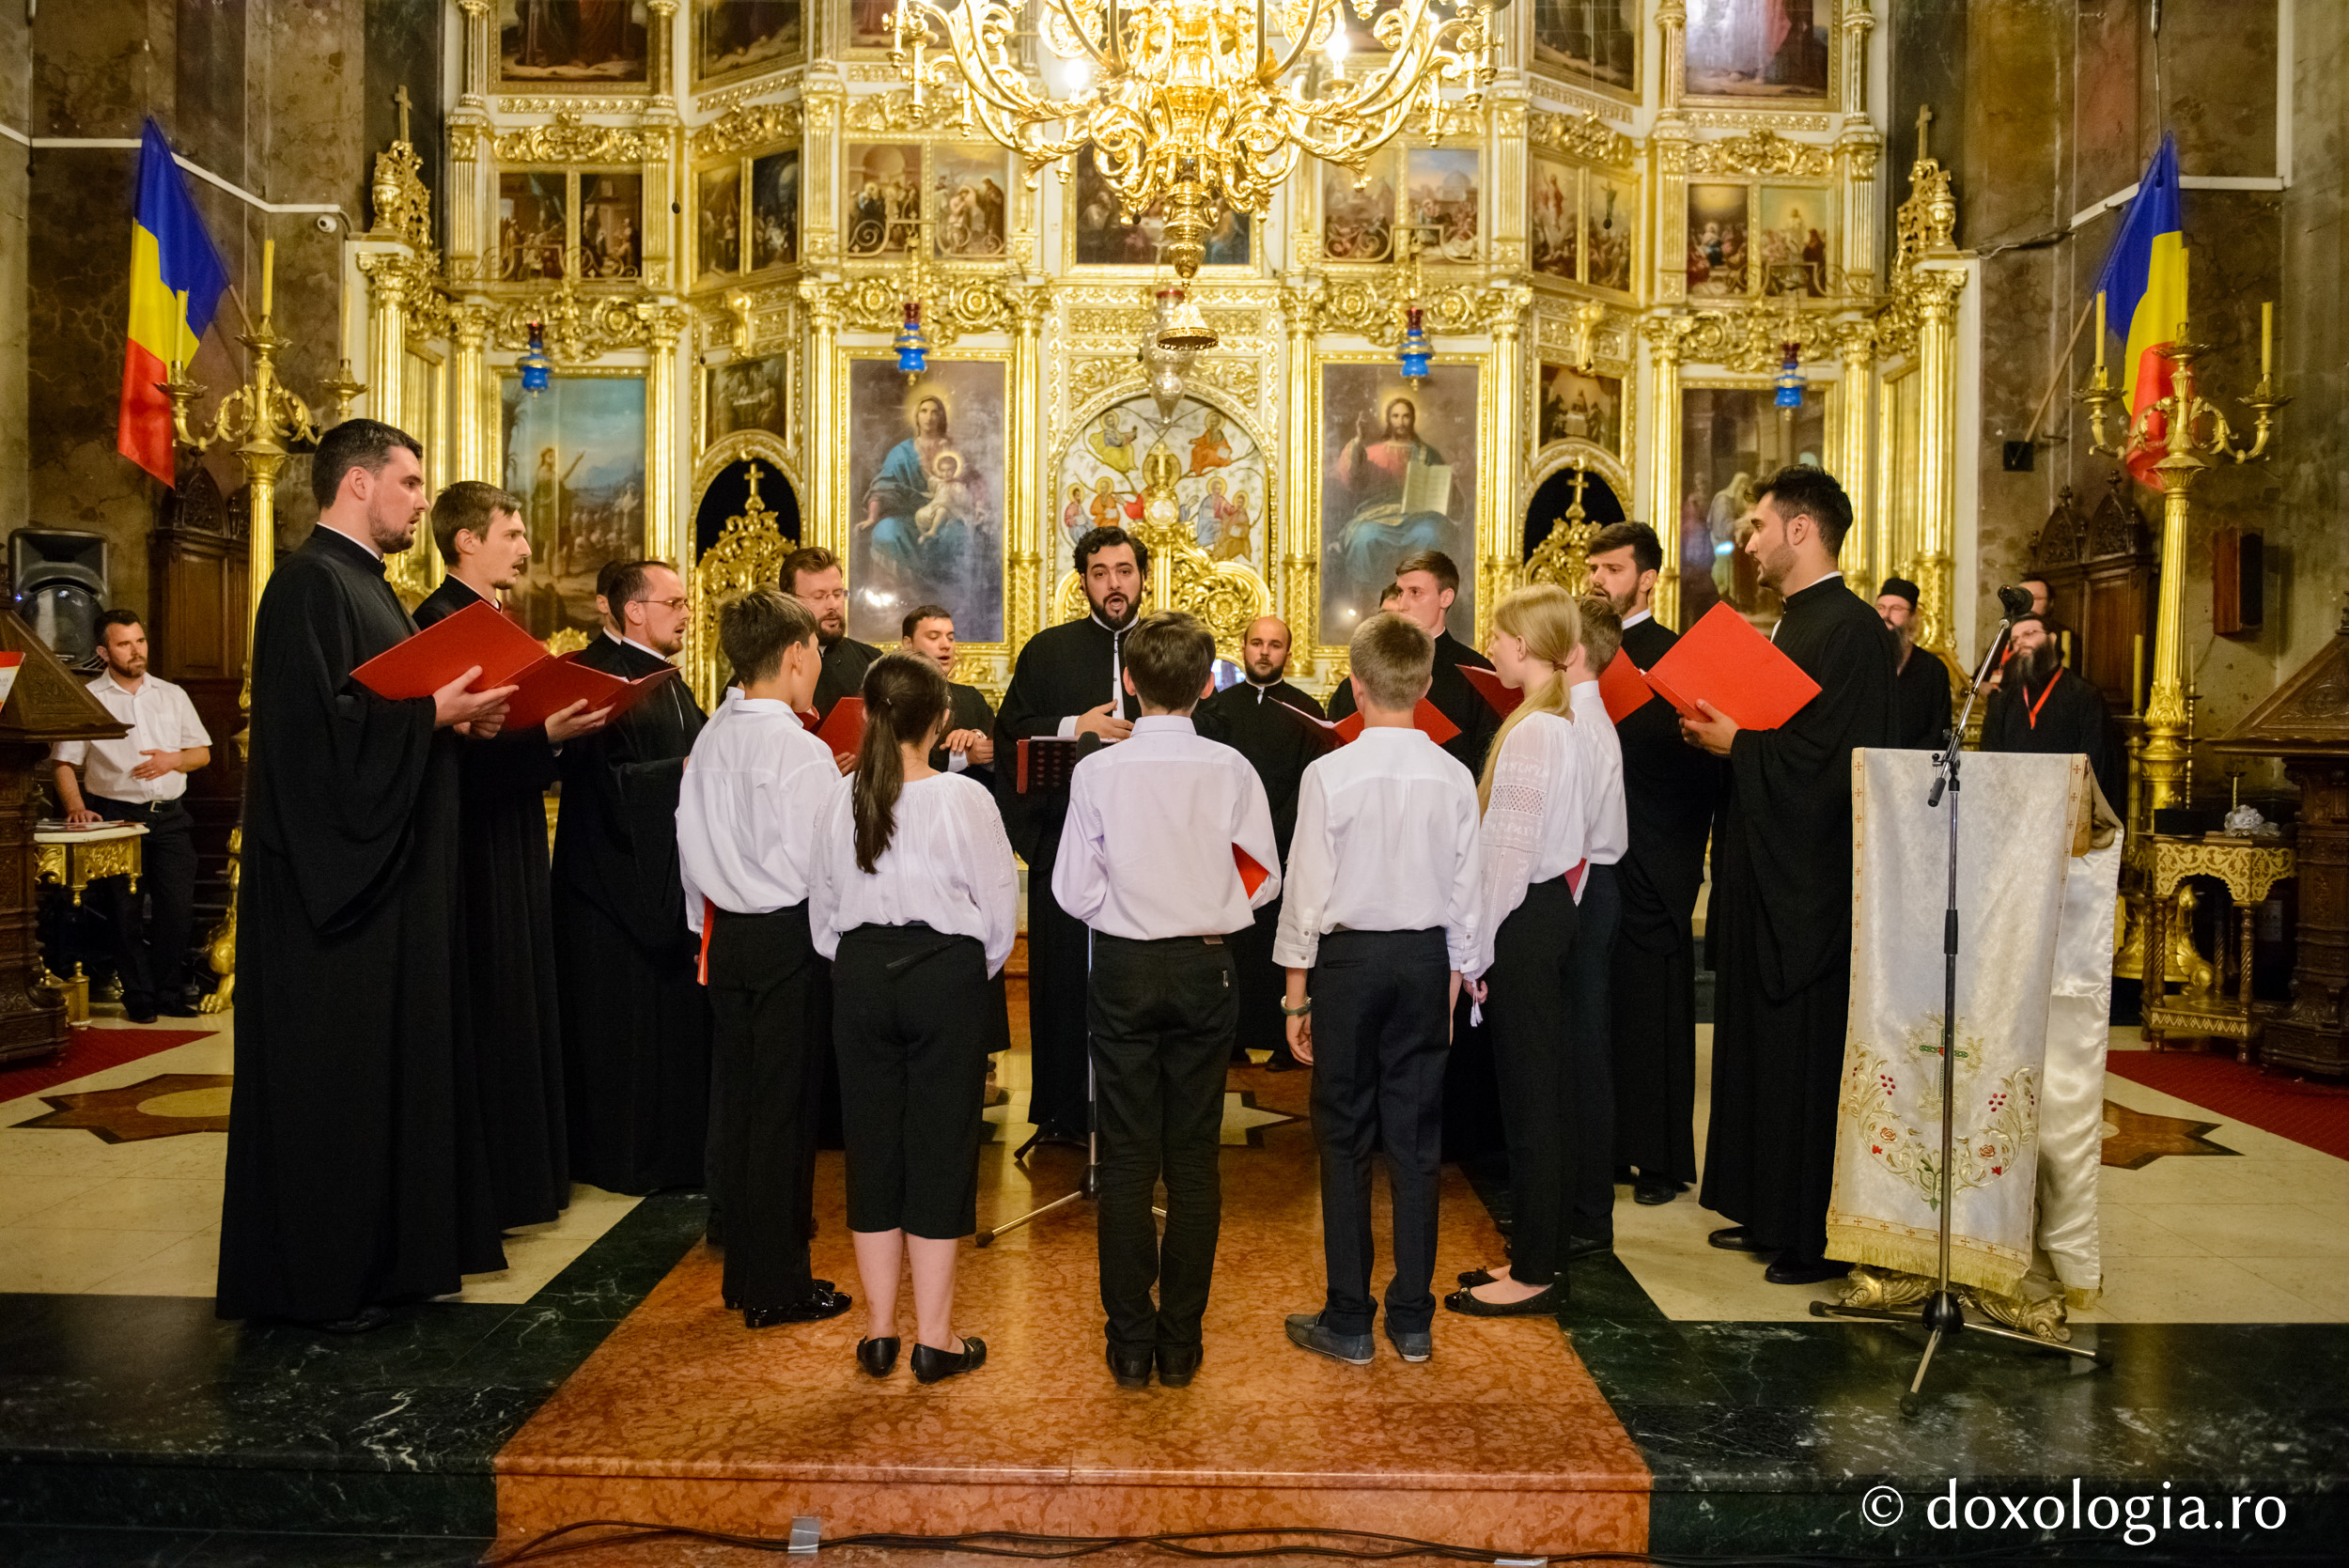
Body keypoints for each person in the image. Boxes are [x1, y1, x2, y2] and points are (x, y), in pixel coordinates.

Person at [218, 418, 514, 1330]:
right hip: (331, 899)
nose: (424, 501)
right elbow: (316, 745)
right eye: (412, 482)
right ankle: (322, 1279)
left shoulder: (368, 588)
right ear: (357, 484)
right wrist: (429, 714)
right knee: (331, 1088)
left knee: (389, 1080)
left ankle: (388, 1262)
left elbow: (379, 714)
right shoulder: (311, 585)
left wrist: (449, 719)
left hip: (388, 886)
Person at [1051, 610, 1280, 1389]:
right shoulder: (1231, 768)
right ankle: (1181, 1342)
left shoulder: (1096, 771)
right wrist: (1205, 895)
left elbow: (1071, 890)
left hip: (1121, 965)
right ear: (1207, 680)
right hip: (1205, 966)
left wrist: (1132, 899)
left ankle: (1129, 1342)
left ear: (1128, 682)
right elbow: (1266, 875)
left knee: (1123, 1161)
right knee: (1192, 1158)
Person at [1680, 465, 1896, 1286]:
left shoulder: (1850, 630)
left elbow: (1838, 764)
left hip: (1812, 886)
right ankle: (1766, 1208)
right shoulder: (1790, 621)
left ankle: (1810, 1229)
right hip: (1763, 870)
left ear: (1802, 530)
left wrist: (1742, 744)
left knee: (1804, 1054)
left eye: (1760, 527)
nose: (1750, 542)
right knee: (1758, 1047)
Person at [1275, 613, 1481, 1367]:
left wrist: (1296, 994)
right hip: (1426, 961)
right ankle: (1414, 1318)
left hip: (1349, 964)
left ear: (1356, 686)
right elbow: (1468, 891)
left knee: (1344, 1137)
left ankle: (1349, 1317)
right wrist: (1457, 978)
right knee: (1417, 1141)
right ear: (1426, 686)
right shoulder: (1455, 774)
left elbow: (1306, 891)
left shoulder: (1330, 771)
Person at [814, 653, 1018, 1385]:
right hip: (944, 975)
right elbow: (1000, 919)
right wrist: (956, 973)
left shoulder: (841, 796)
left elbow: (822, 920)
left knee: (872, 1149)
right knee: (940, 1149)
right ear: (940, 721)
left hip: (861, 973)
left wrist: (868, 962)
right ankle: (934, 1339)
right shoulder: (966, 801)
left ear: (870, 716)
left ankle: (877, 1332)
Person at [414, 482, 610, 1230]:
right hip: (471, 845)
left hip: (513, 831)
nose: (527, 547)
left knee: (522, 996)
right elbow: (457, 758)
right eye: (514, 532)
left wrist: (546, 730)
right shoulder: (438, 622)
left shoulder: (490, 619)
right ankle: (491, 1184)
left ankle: (525, 1177)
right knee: (489, 1001)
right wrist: (548, 736)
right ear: (466, 539)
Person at [676, 587, 853, 1329]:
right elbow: (825, 860)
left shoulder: (713, 733)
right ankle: (778, 1284)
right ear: (793, 656)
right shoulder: (799, 748)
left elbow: (687, 844)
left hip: (726, 936)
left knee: (744, 1105)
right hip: (788, 936)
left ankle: (746, 1274)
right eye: (813, 651)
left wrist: (701, 925)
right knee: (784, 1114)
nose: (816, 663)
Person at [1447, 586, 1596, 1318]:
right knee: (1541, 1091)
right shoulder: (1556, 723)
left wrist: (1472, 951)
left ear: (1530, 644)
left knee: (1532, 1099)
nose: (1495, 647)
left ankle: (1536, 1270)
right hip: (1545, 914)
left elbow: (1507, 856)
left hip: (1521, 920)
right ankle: (1539, 1249)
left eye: (1502, 636)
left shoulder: (1534, 731)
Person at [552, 557, 712, 1196]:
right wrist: (688, 771)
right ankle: (621, 1158)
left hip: (664, 878)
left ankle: (673, 1155)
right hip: (609, 885)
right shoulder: (592, 672)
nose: (685, 613)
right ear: (634, 610)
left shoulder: (668, 677)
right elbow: (599, 783)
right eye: (673, 602)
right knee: (621, 1032)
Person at [991, 525, 1149, 1146]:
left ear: (1142, 576)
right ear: (1082, 579)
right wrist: (1072, 724)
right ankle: (1063, 1108)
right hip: (1068, 839)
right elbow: (1013, 731)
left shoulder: (1164, 647)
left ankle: (1131, 1110)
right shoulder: (1047, 651)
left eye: (1125, 570)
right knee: (1063, 978)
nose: (1115, 583)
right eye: (1101, 571)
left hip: (1145, 846)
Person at [1583, 522, 1717, 1208]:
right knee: (1600, 1007)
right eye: (1594, 568)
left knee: (1653, 1010)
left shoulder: (1675, 655)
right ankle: (1604, 1144)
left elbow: (1698, 760)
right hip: (1596, 854)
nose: (1599, 579)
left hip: (1657, 850)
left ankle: (1660, 1159)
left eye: (1613, 568)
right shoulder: (1579, 652)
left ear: (1647, 580)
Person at [49, 610, 210, 1023]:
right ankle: (138, 995)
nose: (136, 651)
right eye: (124, 644)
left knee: (177, 911)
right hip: (117, 817)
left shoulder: (172, 694)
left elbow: (202, 753)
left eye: (140, 641)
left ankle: (169, 992)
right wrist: (75, 807)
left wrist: (173, 759)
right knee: (125, 913)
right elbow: (64, 763)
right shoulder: (88, 699)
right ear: (104, 652)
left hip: (170, 817)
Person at [1194, 615, 1326, 1072]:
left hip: (1284, 849)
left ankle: (1277, 1039)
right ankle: (1228, 1037)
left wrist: (1268, 835)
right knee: (1229, 945)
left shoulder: (1308, 713)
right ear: (1243, 647)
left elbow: (1312, 784)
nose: (1264, 652)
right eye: (1256, 643)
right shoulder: (1215, 711)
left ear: (1288, 652)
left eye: (1274, 644)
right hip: (1225, 850)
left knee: (1277, 942)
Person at [1560, 595, 1628, 1256]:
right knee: (1575, 1048)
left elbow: (1570, 832)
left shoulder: (1580, 723)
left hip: (1583, 887)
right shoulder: (1577, 715)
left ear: (1573, 651)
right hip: (1585, 886)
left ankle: (1587, 1214)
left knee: (1582, 1051)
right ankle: (1578, 1204)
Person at [1326, 551, 1500, 776]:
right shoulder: (1369, 661)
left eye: (1415, 593)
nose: (1403, 604)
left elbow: (1487, 759)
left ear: (1445, 598)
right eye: (1400, 592)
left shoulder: (1476, 673)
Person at [1983, 612, 2123, 810]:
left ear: (2053, 638)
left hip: (2065, 810)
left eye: (2029, 634)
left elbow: (2096, 763)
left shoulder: (2084, 695)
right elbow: (1990, 761)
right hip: (2014, 810)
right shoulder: (2002, 700)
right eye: (2015, 639)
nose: (2021, 642)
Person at [900, 603, 996, 791]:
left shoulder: (971, 697)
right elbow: (898, 759)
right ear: (908, 644)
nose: (945, 645)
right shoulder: (896, 697)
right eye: (933, 637)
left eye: (950, 638)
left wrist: (977, 738)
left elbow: (1000, 754)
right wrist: (963, 756)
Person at [782, 546, 879, 728]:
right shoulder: (765, 667)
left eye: (838, 594)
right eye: (819, 596)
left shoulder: (873, 662)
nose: (833, 605)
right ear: (789, 601)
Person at [1875, 576, 1952, 752]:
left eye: (1896, 609)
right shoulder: (1862, 660)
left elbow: (1939, 731)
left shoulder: (1933, 670)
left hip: (1916, 765)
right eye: (1881, 608)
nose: (1886, 616)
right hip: (1869, 764)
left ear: (1912, 616)